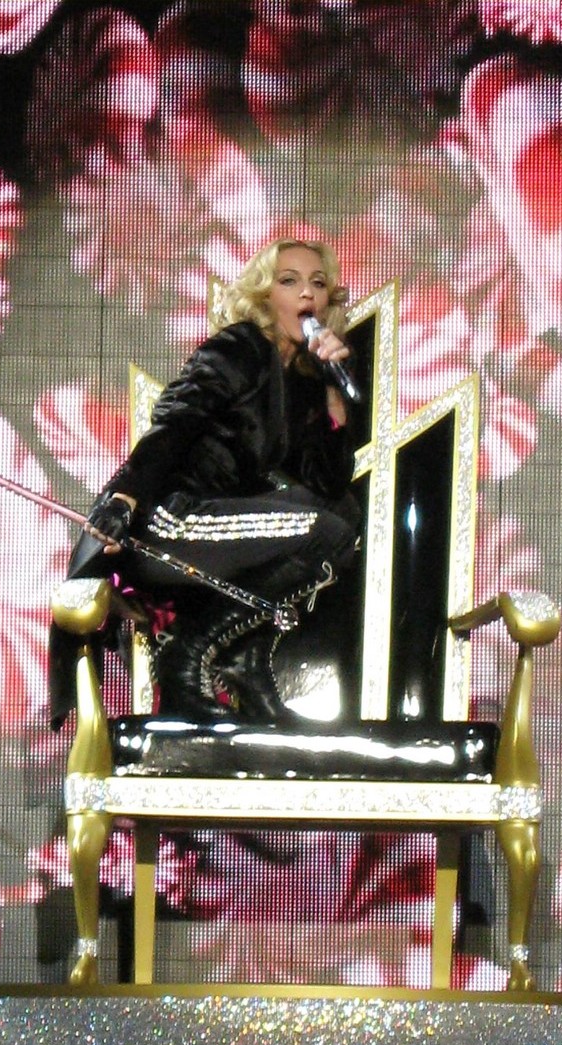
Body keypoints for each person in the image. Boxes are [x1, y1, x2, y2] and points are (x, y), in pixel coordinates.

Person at [59, 238, 361, 723]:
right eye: (290, 281)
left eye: (318, 283)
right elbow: (175, 423)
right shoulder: (239, 347)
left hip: (217, 523)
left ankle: (245, 661)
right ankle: (185, 657)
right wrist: (125, 498)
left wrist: (333, 389)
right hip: (168, 518)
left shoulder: (302, 380)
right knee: (327, 531)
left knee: (343, 513)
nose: (307, 293)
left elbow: (327, 483)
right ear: (266, 295)